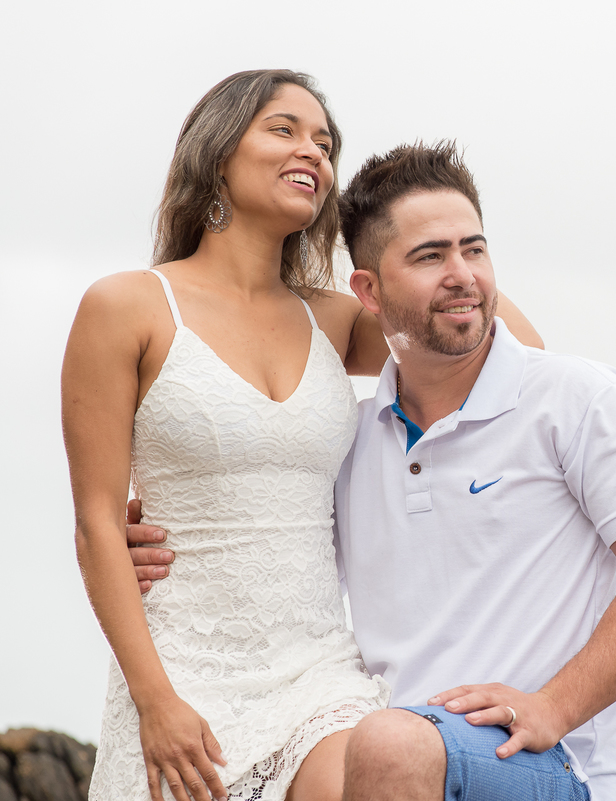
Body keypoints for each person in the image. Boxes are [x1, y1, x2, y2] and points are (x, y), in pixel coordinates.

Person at [64, 72, 542, 801]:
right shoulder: (127, 306)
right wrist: (154, 700)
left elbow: (518, 360)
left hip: (319, 676)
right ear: (218, 151)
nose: (313, 152)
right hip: (177, 673)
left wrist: (426, 238)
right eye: (285, 129)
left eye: (325, 142)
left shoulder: (338, 317)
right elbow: (98, 520)